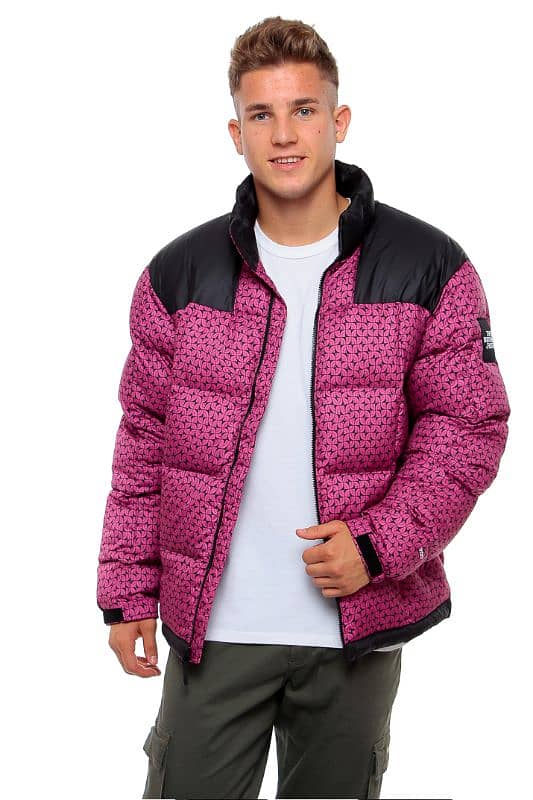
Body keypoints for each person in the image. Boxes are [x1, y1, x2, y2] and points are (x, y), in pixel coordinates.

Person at [96, 15, 511, 800]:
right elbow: (143, 441)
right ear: (236, 133)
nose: (283, 135)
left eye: (303, 110)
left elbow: (466, 429)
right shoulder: (178, 275)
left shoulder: (427, 266)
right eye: (261, 114)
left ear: (337, 120)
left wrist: (378, 545)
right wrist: (126, 591)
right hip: (214, 628)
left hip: (356, 624)